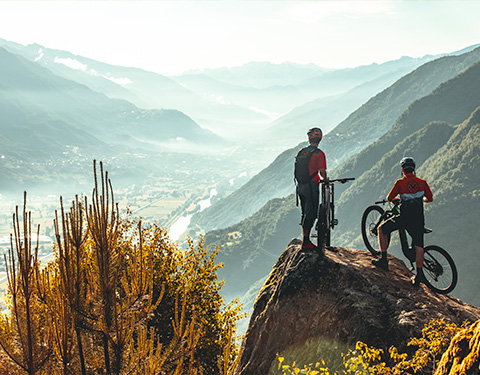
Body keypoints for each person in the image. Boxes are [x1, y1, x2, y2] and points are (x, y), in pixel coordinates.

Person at [372, 157, 433, 285]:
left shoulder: (400, 183)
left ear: (403, 170)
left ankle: (383, 260)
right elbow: (430, 198)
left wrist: (397, 198)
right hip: (418, 219)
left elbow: (389, 197)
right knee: (418, 246)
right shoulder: (422, 182)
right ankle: (419, 275)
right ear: (414, 169)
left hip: (404, 218)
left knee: (381, 229)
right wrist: (420, 199)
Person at [296, 127, 327, 250]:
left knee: (305, 212)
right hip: (311, 185)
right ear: (320, 139)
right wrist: (325, 179)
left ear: (309, 138)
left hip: (301, 186)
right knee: (311, 213)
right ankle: (306, 242)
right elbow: (322, 171)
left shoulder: (302, 151)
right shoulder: (319, 154)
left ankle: (306, 239)